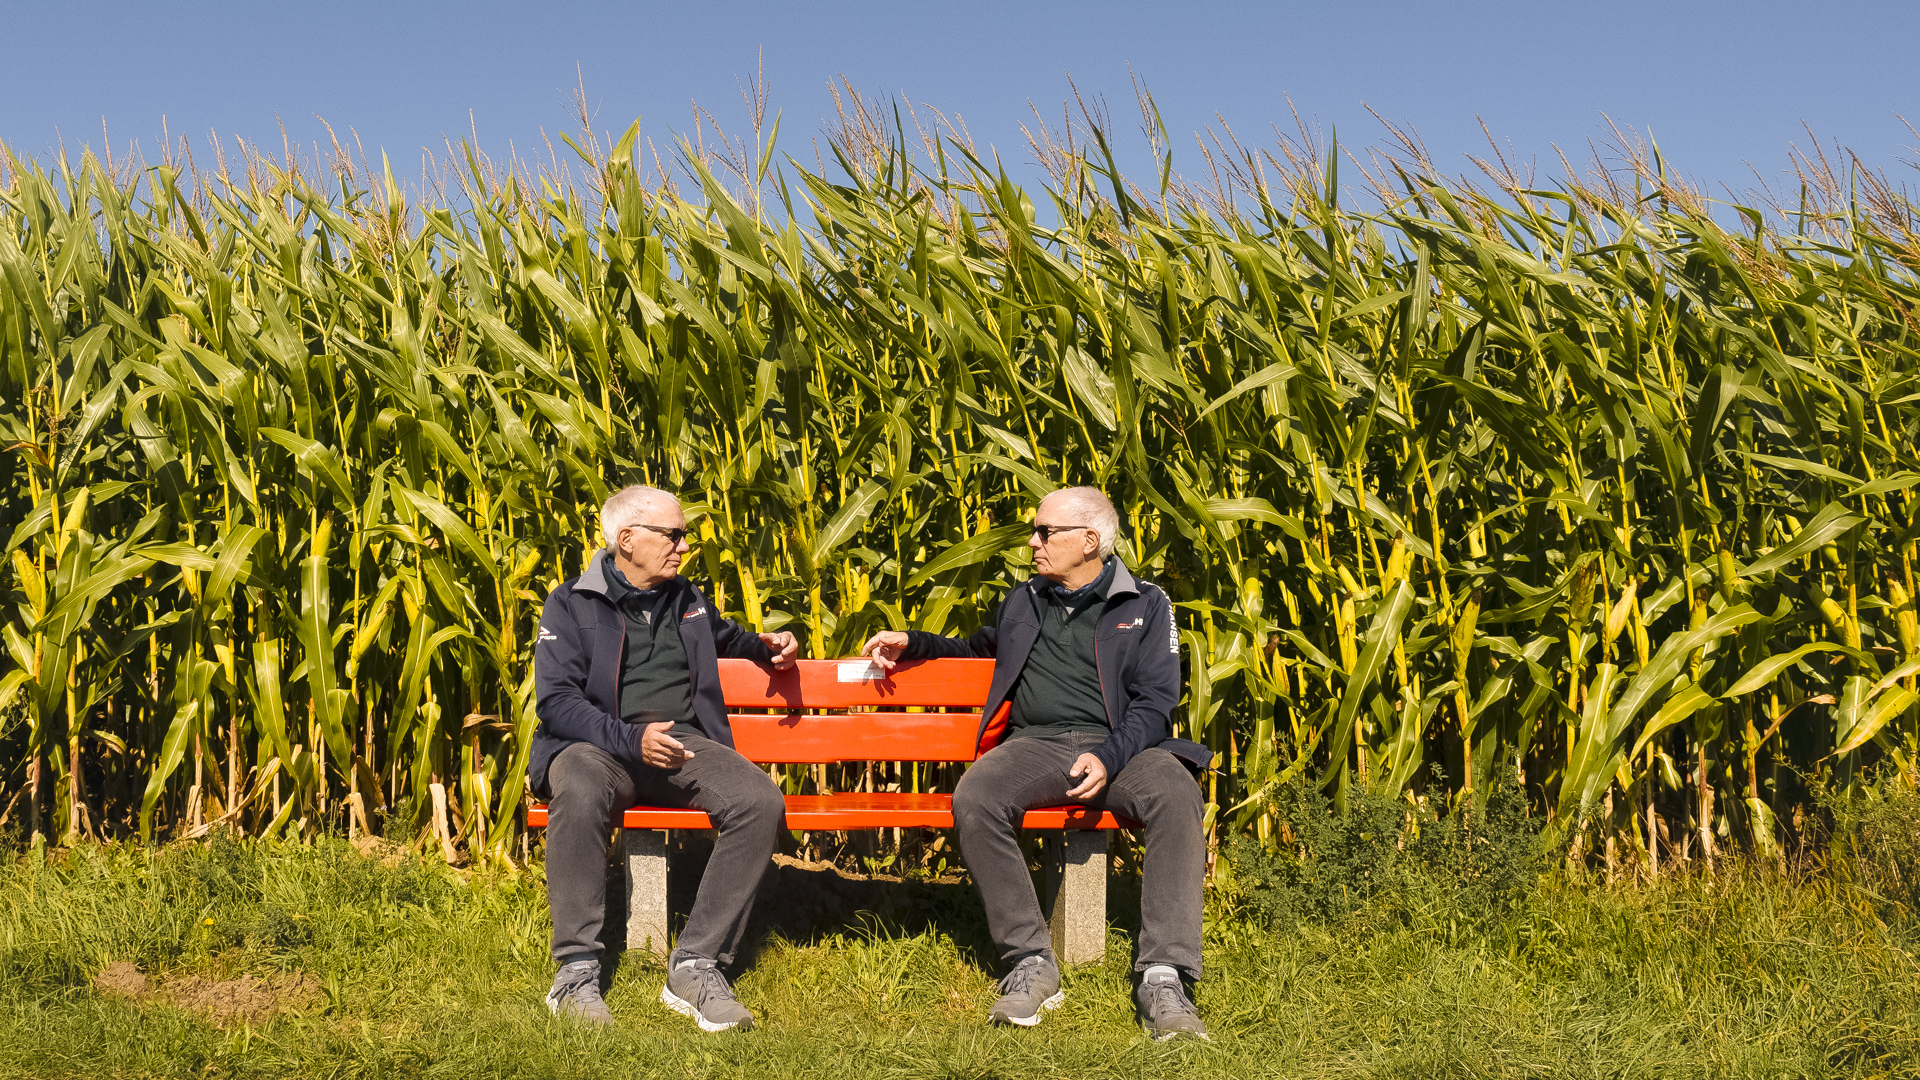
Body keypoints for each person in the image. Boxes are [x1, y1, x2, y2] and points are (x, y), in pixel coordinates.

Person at [857, 487, 1211, 1040]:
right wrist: (915, 643)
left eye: (1045, 532)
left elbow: (1155, 704)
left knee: (1177, 791)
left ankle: (1164, 976)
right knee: (977, 796)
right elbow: (983, 649)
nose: (1033, 542)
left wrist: (1108, 755)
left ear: (1089, 541)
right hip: (1037, 745)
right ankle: (1030, 961)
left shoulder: (1146, 603)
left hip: (1122, 748)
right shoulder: (1025, 599)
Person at [530, 485, 798, 1032]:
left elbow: (722, 637)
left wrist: (764, 647)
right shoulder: (570, 603)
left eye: (684, 535)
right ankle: (576, 972)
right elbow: (557, 703)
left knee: (759, 801)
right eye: (673, 535)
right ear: (627, 539)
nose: (684, 546)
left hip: (681, 745)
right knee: (577, 785)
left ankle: (696, 966)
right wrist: (632, 740)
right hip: (601, 748)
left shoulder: (686, 599)